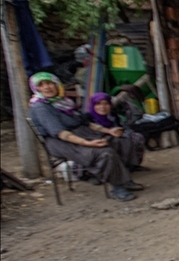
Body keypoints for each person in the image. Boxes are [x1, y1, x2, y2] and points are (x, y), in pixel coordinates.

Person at [27, 72, 142, 201]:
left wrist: (109, 131)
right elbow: (60, 133)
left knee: (121, 141)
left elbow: (86, 123)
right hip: (61, 141)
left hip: (82, 132)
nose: (47, 87)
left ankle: (123, 178)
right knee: (104, 153)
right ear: (36, 88)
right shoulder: (41, 107)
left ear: (56, 84)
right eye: (41, 85)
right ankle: (117, 188)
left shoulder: (63, 101)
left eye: (49, 83)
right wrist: (87, 143)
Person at [86, 92, 146, 170]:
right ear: (93, 105)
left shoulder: (112, 116)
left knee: (136, 137)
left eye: (106, 104)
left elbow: (125, 128)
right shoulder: (88, 118)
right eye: (98, 104)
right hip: (98, 141)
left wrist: (122, 134)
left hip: (118, 138)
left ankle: (132, 165)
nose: (102, 107)